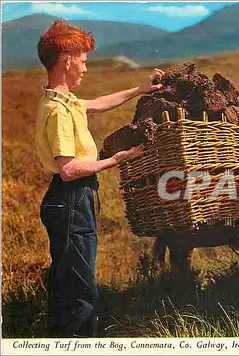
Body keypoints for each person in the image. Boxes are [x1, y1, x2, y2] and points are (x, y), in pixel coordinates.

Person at [35, 19, 165, 337]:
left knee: (68, 281)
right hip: (71, 198)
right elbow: (68, 169)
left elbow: (97, 104)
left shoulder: (63, 101)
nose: (85, 68)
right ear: (67, 60)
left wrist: (139, 90)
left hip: (71, 200)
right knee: (81, 292)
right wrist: (116, 160)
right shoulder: (58, 111)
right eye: (83, 60)